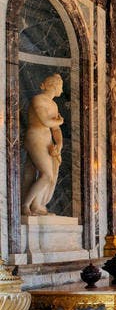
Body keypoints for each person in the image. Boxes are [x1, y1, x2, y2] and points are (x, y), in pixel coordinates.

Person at [22, 73, 64, 216]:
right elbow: (46, 122)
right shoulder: (38, 100)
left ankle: (37, 206)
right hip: (35, 138)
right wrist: (60, 121)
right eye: (61, 87)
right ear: (54, 86)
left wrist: (59, 143)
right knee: (46, 174)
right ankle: (25, 205)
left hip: (46, 140)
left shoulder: (54, 104)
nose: (62, 91)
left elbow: (55, 129)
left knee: (46, 175)